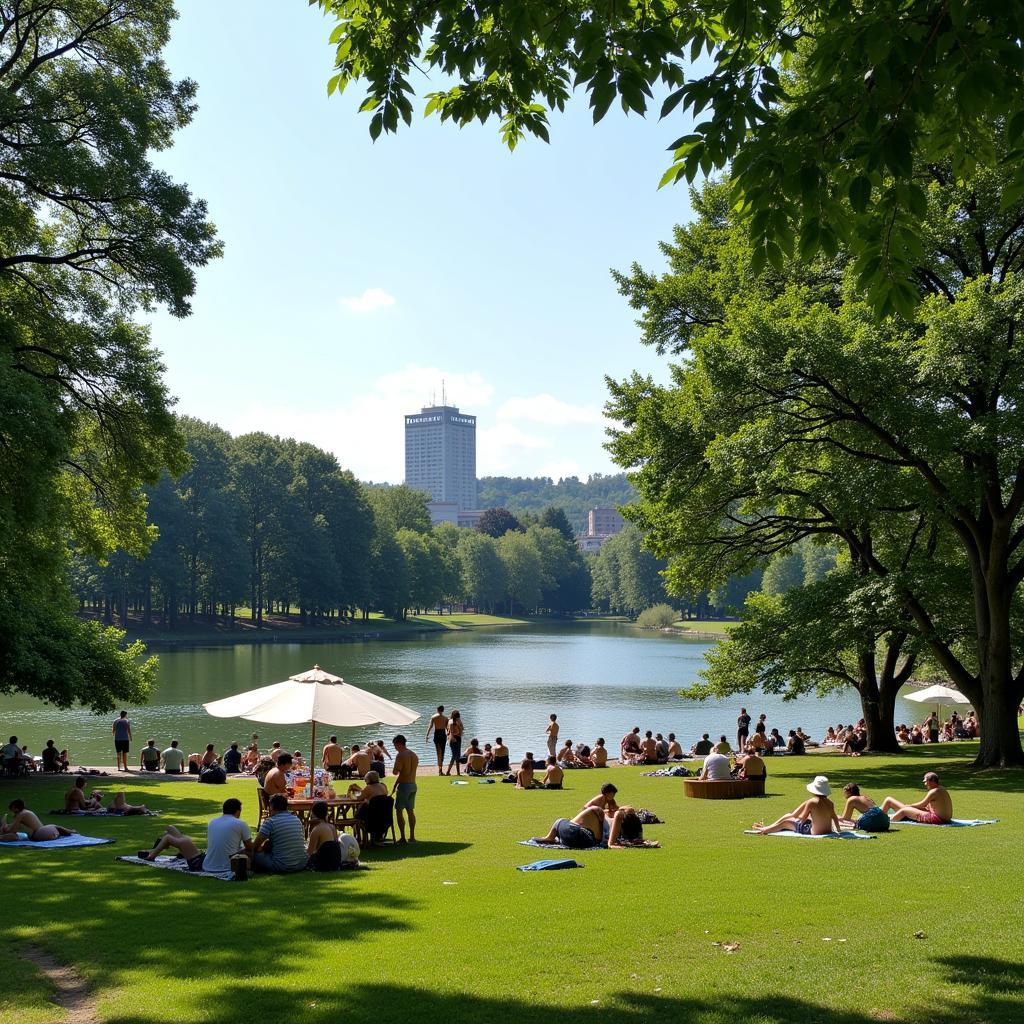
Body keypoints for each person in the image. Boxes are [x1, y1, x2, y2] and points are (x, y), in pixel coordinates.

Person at [531, 804, 657, 849]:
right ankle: (549, 838)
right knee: (564, 820)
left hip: (577, 835)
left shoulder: (615, 819)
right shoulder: (619, 827)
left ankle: (550, 837)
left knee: (562, 820)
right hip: (578, 836)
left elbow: (624, 811)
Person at [752, 776, 841, 836]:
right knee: (788, 816)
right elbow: (835, 818)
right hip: (828, 831)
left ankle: (765, 830)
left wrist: (803, 810)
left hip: (813, 832)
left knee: (785, 822)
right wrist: (838, 830)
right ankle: (767, 827)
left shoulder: (811, 802)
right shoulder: (830, 803)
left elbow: (802, 819)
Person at [251, 793, 307, 873]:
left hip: (281, 865)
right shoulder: (296, 820)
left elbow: (255, 845)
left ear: (272, 806)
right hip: (301, 863)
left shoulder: (270, 822)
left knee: (254, 854)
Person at [881, 772, 953, 824]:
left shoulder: (934, 791)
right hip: (943, 818)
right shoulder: (942, 789)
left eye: (926, 782)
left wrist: (909, 806)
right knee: (889, 800)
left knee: (904, 810)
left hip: (937, 819)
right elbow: (929, 806)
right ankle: (881, 817)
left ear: (932, 781)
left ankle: (884, 822)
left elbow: (922, 804)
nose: (925, 784)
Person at [0, 800, 76, 842]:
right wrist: (5, 825)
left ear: (15, 808)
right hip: (43, 833)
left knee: (13, 836)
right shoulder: (25, 813)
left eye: (12, 809)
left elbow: (12, 831)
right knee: (55, 826)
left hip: (40, 834)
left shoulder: (21, 814)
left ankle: (70, 831)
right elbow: (14, 827)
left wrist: (4, 822)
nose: (12, 812)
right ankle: (70, 831)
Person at [391, 734, 418, 843]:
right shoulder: (414, 755)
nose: (395, 748)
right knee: (410, 811)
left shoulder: (401, 755)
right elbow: (407, 772)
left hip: (404, 786)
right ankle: (412, 836)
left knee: (399, 811)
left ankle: (402, 837)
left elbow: (396, 771)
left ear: (398, 743)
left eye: (395, 745)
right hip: (413, 785)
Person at [425, 705, 449, 771]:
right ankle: (440, 768)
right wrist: (449, 736)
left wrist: (427, 735)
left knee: (438, 752)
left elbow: (430, 726)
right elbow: (447, 729)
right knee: (443, 752)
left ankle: (440, 769)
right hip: (443, 735)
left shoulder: (433, 717)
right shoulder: (446, 718)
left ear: (437, 710)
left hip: (437, 734)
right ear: (443, 710)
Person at [444, 709, 464, 776]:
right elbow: (451, 733)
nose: (459, 718)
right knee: (454, 756)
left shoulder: (458, 721)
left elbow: (462, 728)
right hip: (453, 739)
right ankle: (448, 771)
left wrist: (459, 723)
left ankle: (458, 772)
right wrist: (453, 739)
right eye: (458, 716)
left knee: (457, 756)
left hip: (458, 738)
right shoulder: (451, 722)